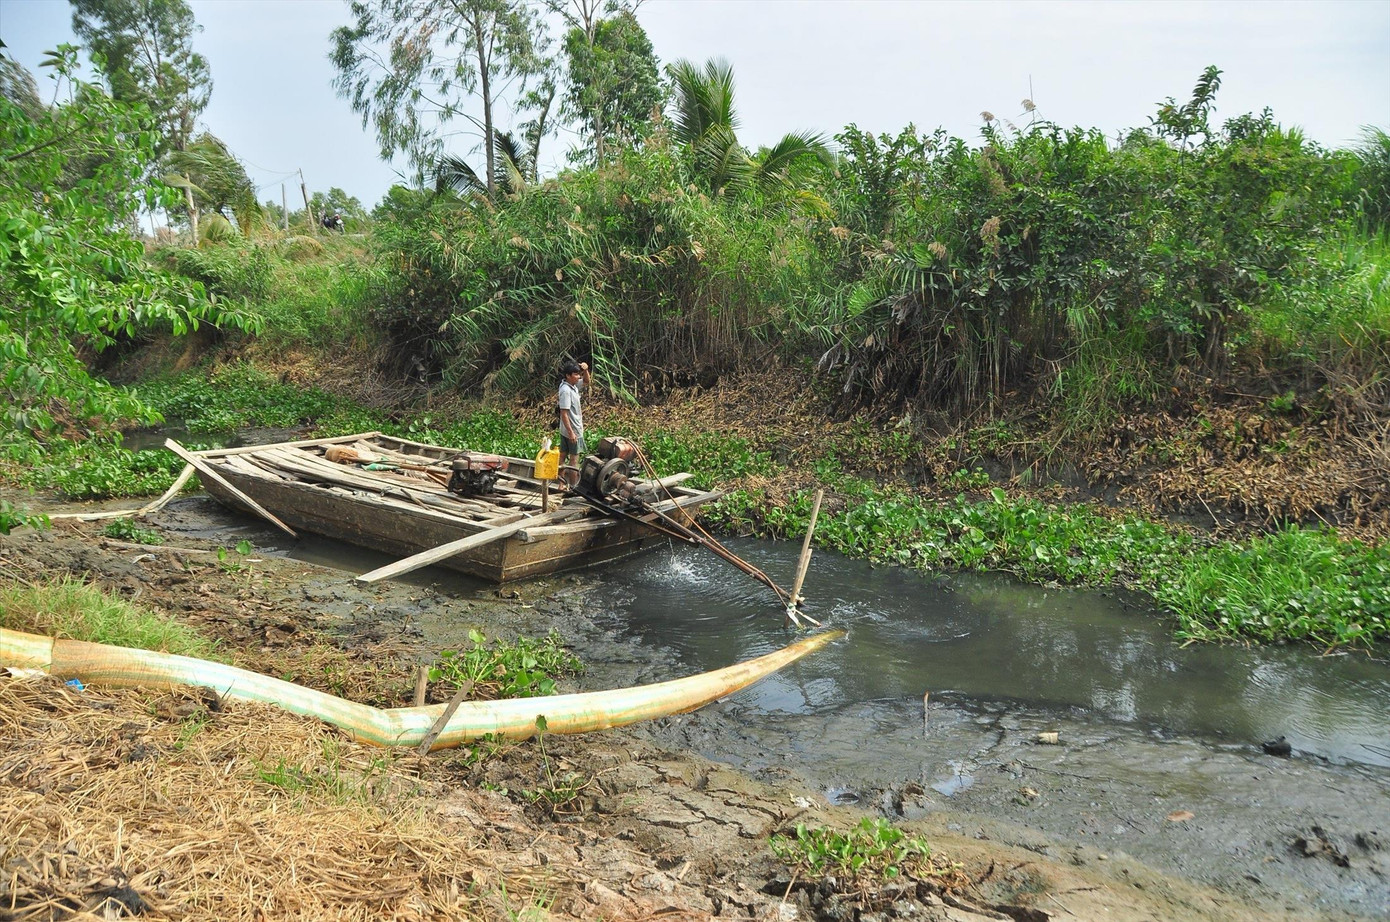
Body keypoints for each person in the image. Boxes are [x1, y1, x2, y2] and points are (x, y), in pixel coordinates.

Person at [557, 360, 590, 486]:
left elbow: (587, 381)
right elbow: (563, 413)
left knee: (562, 456)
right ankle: (572, 486)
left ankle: (561, 484)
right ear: (568, 376)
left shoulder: (573, 386)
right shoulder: (566, 390)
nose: (578, 377)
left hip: (567, 429)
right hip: (573, 430)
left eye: (578, 374)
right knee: (574, 460)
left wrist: (586, 370)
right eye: (576, 374)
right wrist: (571, 433)